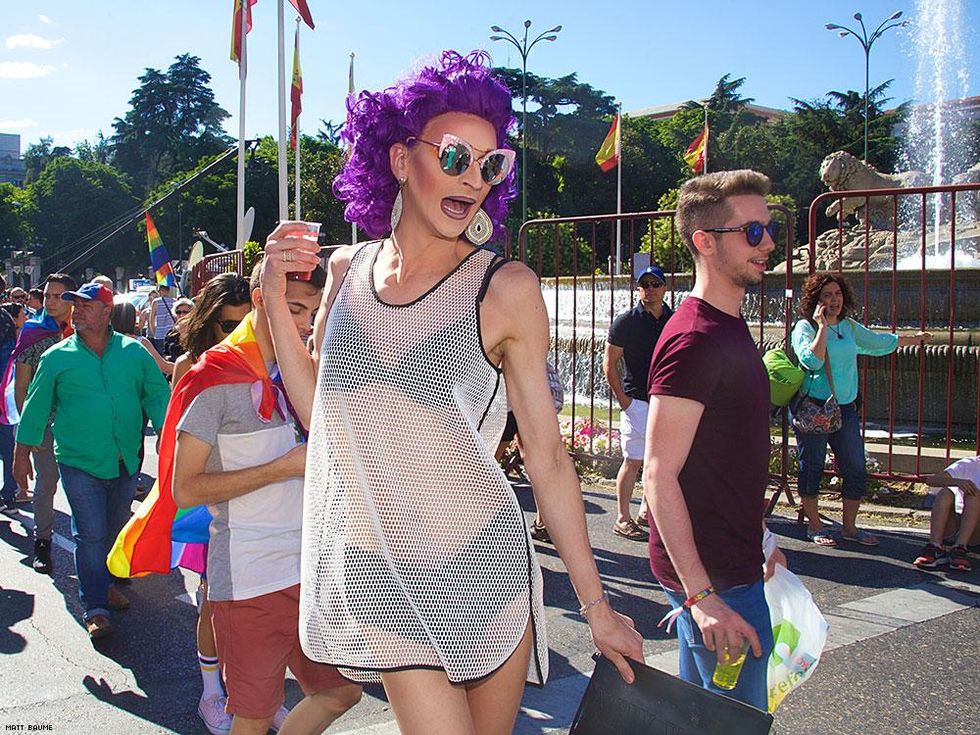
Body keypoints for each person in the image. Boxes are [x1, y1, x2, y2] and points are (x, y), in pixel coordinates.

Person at [260, 50, 643, 734]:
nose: (475, 178)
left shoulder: (507, 289)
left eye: (492, 165)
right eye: (457, 156)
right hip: (381, 569)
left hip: (484, 565)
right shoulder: (346, 272)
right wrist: (268, 298)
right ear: (402, 158)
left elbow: (550, 459)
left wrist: (597, 606)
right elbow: (325, 417)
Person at [173, 260, 361, 734]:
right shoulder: (211, 376)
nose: (303, 324)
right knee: (253, 720)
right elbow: (184, 488)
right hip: (249, 580)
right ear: (262, 300)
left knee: (342, 691)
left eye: (312, 312)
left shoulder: (311, 373)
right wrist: (280, 468)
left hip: (313, 575)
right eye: (294, 309)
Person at [643, 170, 787, 711]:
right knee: (736, 723)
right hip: (717, 583)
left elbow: (721, 457)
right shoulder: (696, 339)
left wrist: (762, 539)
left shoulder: (726, 325)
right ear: (705, 241)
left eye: (769, 230)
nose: (768, 243)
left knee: (703, 720)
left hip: (729, 565)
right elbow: (658, 475)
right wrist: (702, 596)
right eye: (753, 232)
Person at [13, 282, 171, 639]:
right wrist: (21, 456)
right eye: (75, 306)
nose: (77, 311)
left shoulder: (134, 352)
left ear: (106, 310)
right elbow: (36, 407)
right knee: (90, 534)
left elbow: (157, 396)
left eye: (86, 305)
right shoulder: (57, 357)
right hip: (78, 461)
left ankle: (106, 585)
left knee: (114, 531)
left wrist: (168, 434)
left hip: (125, 460)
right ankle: (95, 606)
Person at [791, 272, 931, 547]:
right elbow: (811, 362)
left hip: (846, 409)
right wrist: (822, 327)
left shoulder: (849, 327)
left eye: (838, 294)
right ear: (816, 301)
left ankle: (850, 528)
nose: (834, 300)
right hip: (814, 409)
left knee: (855, 467)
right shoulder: (805, 328)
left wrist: (913, 340)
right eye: (827, 295)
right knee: (812, 467)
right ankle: (815, 525)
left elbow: (877, 343)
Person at [9, 272, 77, 574]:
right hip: (46, 426)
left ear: (72, 300)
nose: (49, 301)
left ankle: (97, 554)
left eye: (57, 296)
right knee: (45, 486)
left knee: (84, 490)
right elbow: (21, 388)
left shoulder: (86, 332)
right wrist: (29, 429)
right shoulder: (33, 332)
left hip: (81, 426)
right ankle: (42, 543)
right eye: (47, 295)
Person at [604, 264, 672, 541]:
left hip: (666, 400)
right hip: (638, 402)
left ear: (665, 288)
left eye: (655, 284)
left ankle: (645, 511)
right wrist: (625, 401)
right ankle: (622, 517)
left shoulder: (674, 319)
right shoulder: (625, 321)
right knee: (633, 461)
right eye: (645, 284)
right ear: (638, 288)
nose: (650, 289)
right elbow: (610, 364)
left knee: (660, 461)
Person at [173, 274, 252, 386]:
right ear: (210, 324)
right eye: (230, 326)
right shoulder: (188, 365)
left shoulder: (267, 362)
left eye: (247, 325)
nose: (240, 334)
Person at [913, 456, 980, 572]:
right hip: (954, 521)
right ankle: (935, 546)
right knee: (945, 493)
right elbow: (932, 480)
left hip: (976, 528)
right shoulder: (970, 464)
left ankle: (960, 547)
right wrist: (957, 482)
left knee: (974, 496)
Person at [0, 303, 26, 512]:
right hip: (5, 396)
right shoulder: (6, 320)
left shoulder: (4, 319)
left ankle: (9, 493)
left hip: (4, 394)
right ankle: (8, 494)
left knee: (8, 445)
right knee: (8, 445)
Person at [111, 301, 174, 376]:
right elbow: (164, 367)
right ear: (132, 319)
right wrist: (185, 366)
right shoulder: (141, 342)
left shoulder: (105, 341)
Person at [162, 297, 195, 363]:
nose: (181, 315)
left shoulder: (196, 331)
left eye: (185, 312)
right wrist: (167, 358)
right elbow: (165, 353)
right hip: (173, 368)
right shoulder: (171, 333)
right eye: (178, 312)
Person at [147, 284, 177, 352]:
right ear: (168, 291)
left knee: (160, 356)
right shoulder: (175, 301)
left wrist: (154, 332)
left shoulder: (156, 302)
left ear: (160, 291)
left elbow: (151, 319)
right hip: (171, 333)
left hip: (159, 334)